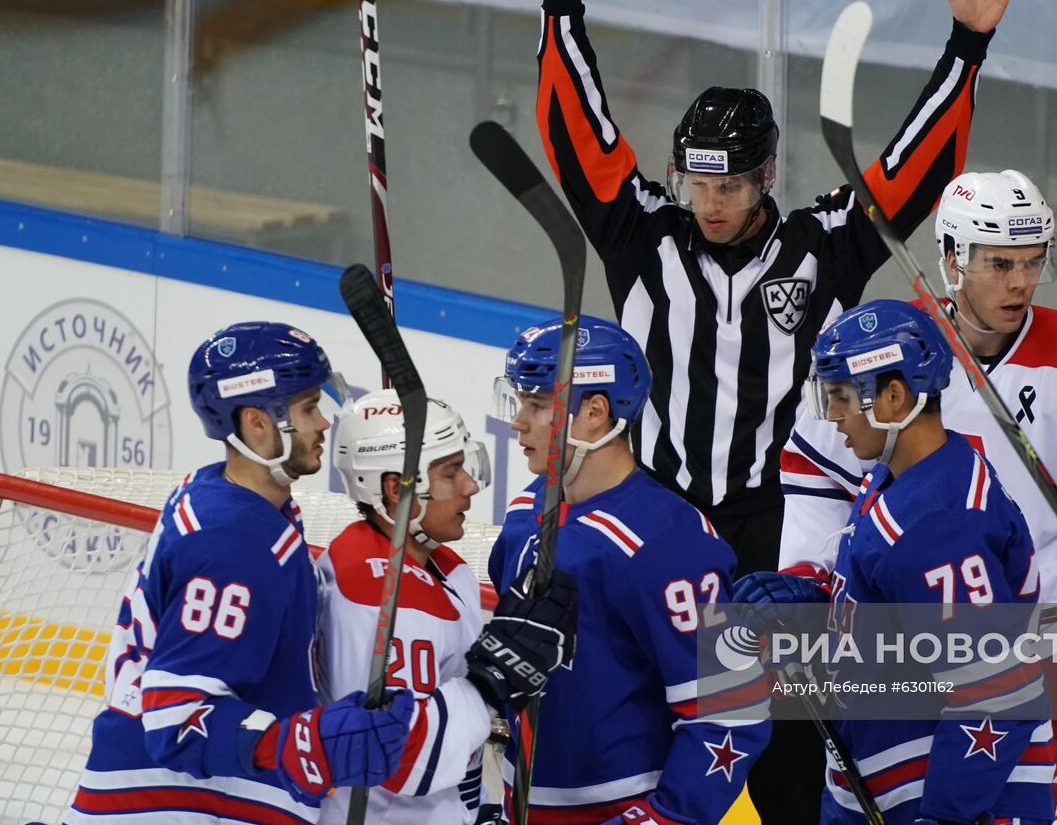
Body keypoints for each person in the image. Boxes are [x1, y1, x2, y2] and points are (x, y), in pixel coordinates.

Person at [536, 0, 1027, 817]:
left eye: (729, 185)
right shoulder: (641, 234)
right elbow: (578, 136)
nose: (709, 202)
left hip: (780, 530)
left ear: (766, 176)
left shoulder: (819, 246)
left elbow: (910, 175)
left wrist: (966, 46)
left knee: (790, 753)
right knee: (649, 714)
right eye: (696, 182)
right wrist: (562, 1)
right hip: (661, 518)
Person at [778, 169, 1057, 769]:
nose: (1021, 283)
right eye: (1000, 264)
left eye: (1033, 262)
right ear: (950, 256)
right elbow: (817, 470)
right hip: (919, 653)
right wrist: (807, 574)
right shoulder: (880, 347)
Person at [62, 322, 413, 825]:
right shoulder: (232, 543)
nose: (322, 423)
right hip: (171, 809)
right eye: (309, 407)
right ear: (256, 422)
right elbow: (177, 719)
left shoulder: (233, 500)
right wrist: (299, 744)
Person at [733, 300, 1055, 825]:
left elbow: (996, 692)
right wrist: (814, 600)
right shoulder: (900, 477)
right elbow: (899, 614)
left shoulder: (940, 525)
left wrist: (948, 816)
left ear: (894, 396)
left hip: (941, 795)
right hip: (879, 781)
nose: (833, 414)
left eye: (841, 396)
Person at [488, 316, 771, 825]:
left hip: (624, 809)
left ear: (594, 412)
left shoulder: (668, 542)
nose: (517, 421)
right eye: (518, 401)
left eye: (536, 404)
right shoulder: (523, 513)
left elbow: (731, 711)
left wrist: (666, 818)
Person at [317, 389, 578, 825]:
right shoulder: (380, 594)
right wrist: (491, 682)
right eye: (451, 472)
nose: (471, 486)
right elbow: (399, 759)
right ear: (393, 487)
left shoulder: (441, 566)